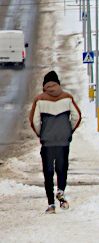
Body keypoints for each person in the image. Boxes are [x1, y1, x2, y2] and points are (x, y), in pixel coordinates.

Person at [28, 70, 82, 213]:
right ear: (58, 83)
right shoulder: (67, 97)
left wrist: (42, 134)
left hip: (48, 141)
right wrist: (68, 131)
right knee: (62, 168)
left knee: (48, 172)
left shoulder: (39, 99)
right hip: (63, 141)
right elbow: (77, 116)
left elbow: (34, 121)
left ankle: (51, 204)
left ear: (45, 85)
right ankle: (61, 190)